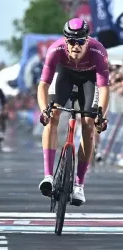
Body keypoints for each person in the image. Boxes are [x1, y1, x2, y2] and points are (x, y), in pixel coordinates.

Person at [37, 18, 109, 205]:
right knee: (52, 116)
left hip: (89, 79)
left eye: (80, 41)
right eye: (71, 41)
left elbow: (104, 88)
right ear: (65, 40)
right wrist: (44, 110)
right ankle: (48, 176)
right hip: (64, 74)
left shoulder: (98, 51)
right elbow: (43, 85)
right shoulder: (55, 50)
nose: (76, 46)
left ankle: (79, 185)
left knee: (88, 125)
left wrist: (102, 115)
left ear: (87, 40)